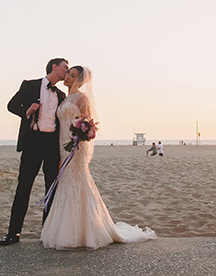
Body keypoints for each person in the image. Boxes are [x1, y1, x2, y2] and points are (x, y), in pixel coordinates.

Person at [41, 66, 156, 250]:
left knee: (78, 180)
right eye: (68, 73)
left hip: (76, 147)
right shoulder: (63, 98)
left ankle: (86, 230)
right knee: (65, 182)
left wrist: (79, 135)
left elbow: (88, 123)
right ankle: (67, 227)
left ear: (79, 81)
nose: (68, 77)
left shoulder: (81, 97)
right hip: (62, 146)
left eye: (72, 75)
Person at [0, 58, 68, 246]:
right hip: (32, 143)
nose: (67, 71)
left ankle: (47, 233)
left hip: (52, 145)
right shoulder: (30, 85)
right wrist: (27, 111)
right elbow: (11, 105)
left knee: (51, 189)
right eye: (65, 67)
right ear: (54, 67)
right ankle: (13, 233)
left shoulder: (62, 95)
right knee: (24, 187)